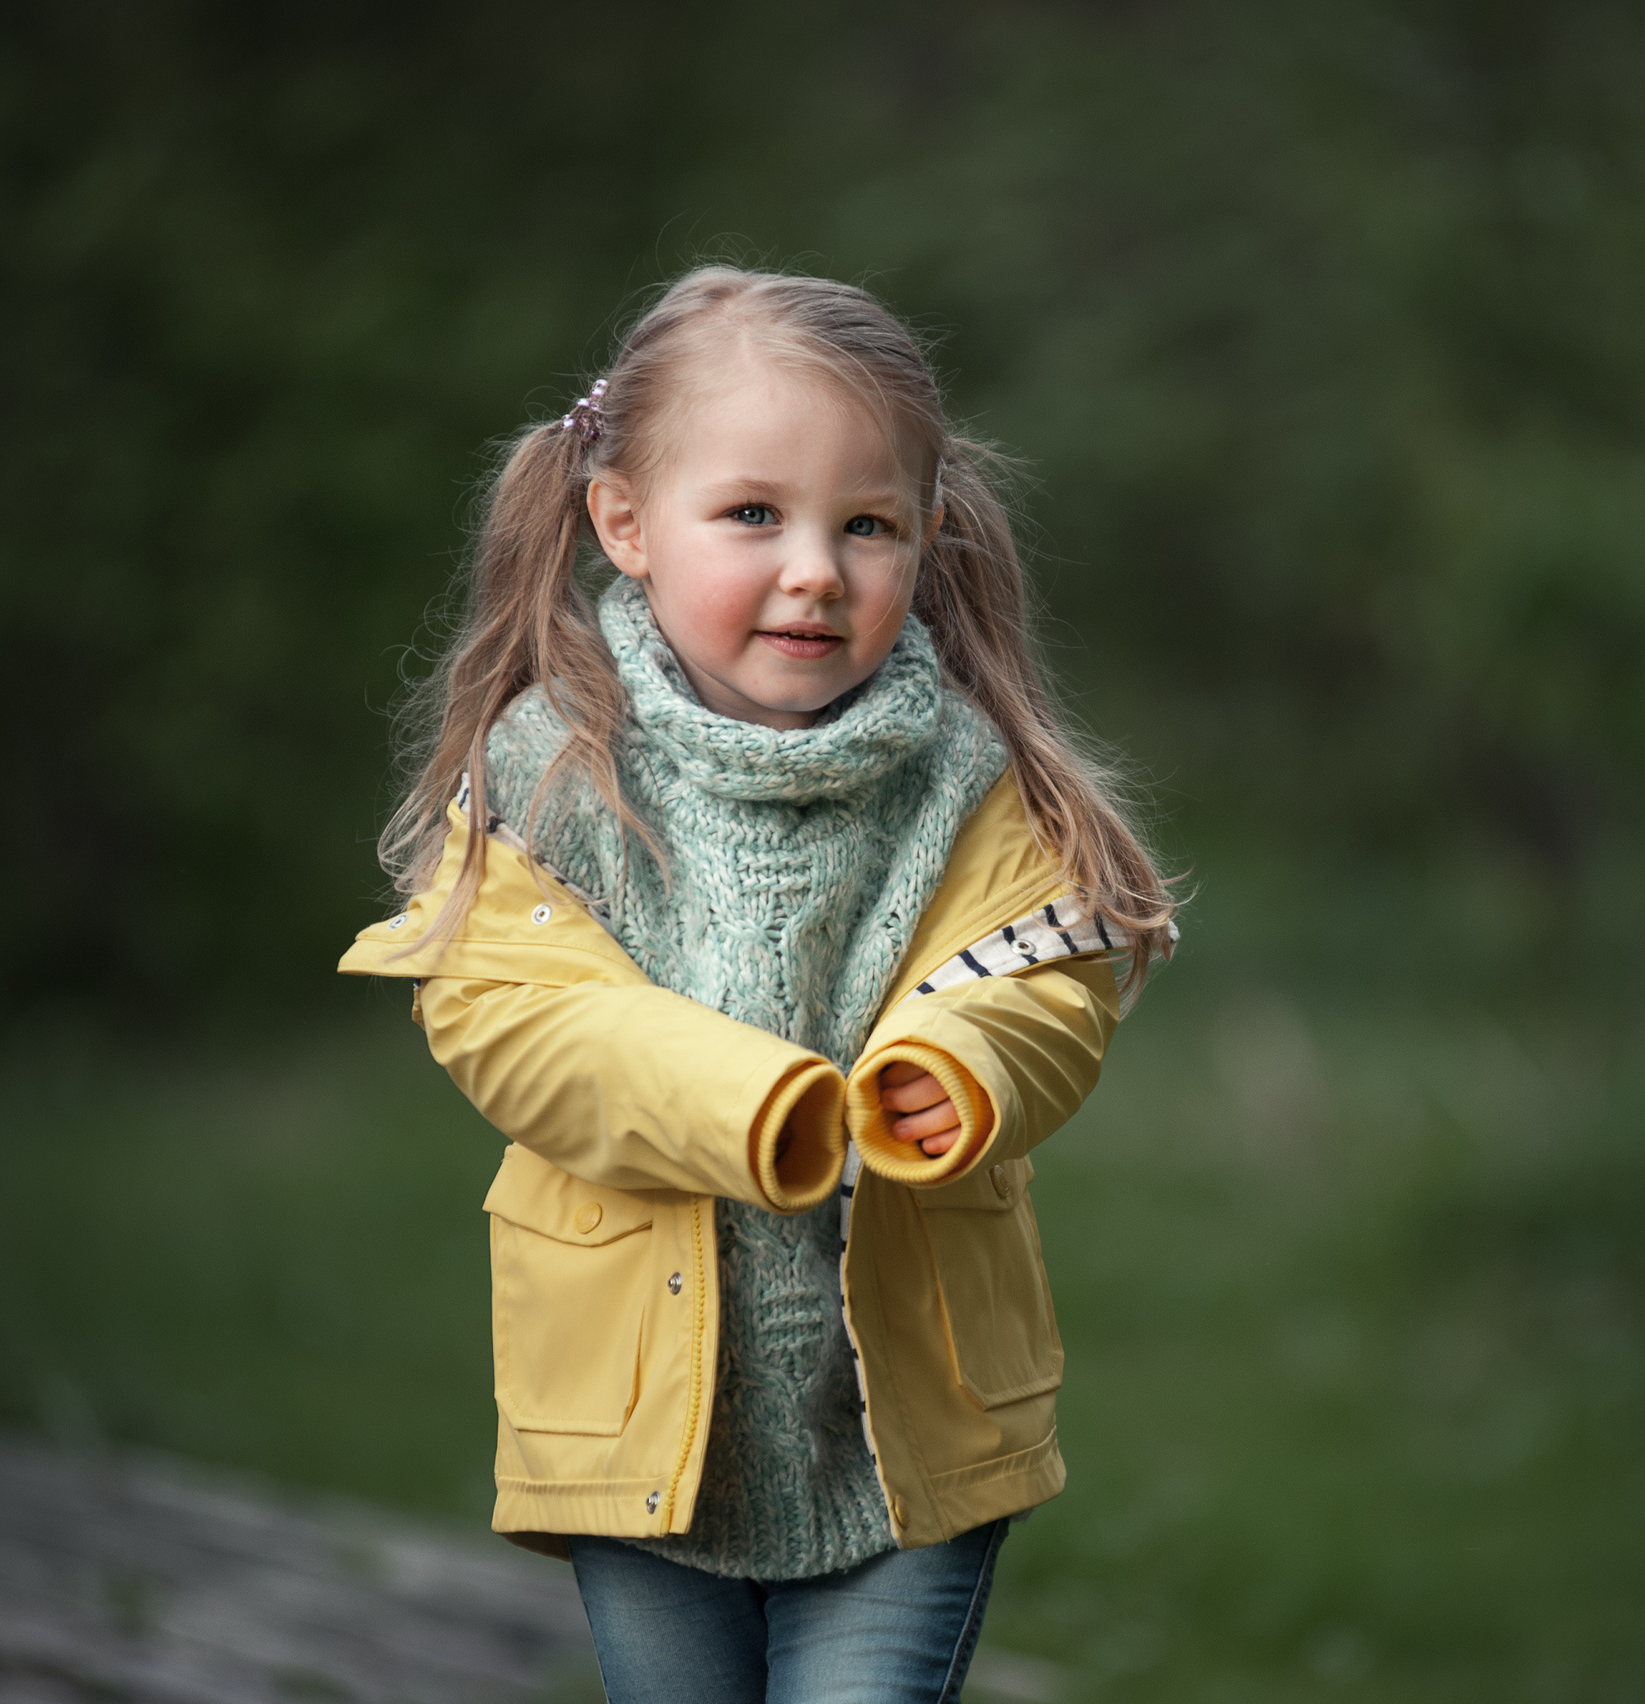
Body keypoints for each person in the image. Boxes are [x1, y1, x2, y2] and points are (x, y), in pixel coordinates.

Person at [337, 266, 1176, 1704]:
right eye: (752, 516)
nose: (815, 570)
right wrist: (758, 1103)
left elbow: (1041, 977)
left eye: (867, 526)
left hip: (904, 1432)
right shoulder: (555, 771)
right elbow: (516, 1018)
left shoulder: (971, 781)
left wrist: (959, 1066)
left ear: (926, 535)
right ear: (625, 522)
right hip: (646, 1430)